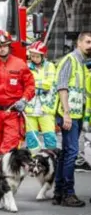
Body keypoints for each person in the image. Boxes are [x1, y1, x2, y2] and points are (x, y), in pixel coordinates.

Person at [0, 29, 35, 156]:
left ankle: (8, 172)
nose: (2, 49)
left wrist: (24, 100)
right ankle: (0, 174)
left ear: (9, 46)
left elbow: (30, 86)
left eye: (4, 46)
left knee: (8, 148)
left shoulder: (20, 64)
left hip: (13, 112)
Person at [51, 32, 91, 207]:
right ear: (79, 43)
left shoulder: (82, 63)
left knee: (66, 153)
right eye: (88, 42)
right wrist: (66, 113)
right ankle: (68, 193)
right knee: (71, 153)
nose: (90, 45)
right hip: (69, 115)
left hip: (76, 115)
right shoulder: (70, 60)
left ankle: (59, 192)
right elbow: (62, 87)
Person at [25, 41, 57, 155]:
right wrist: (39, 88)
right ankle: (35, 161)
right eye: (32, 56)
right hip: (30, 108)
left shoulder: (50, 66)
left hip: (46, 107)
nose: (34, 58)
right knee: (31, 138)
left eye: (37, 56)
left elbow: (49, 84)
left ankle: (52, 160)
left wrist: (34, 86)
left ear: (43, 55)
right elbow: (25, 84)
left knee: (49, 136)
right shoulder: (26, 67)